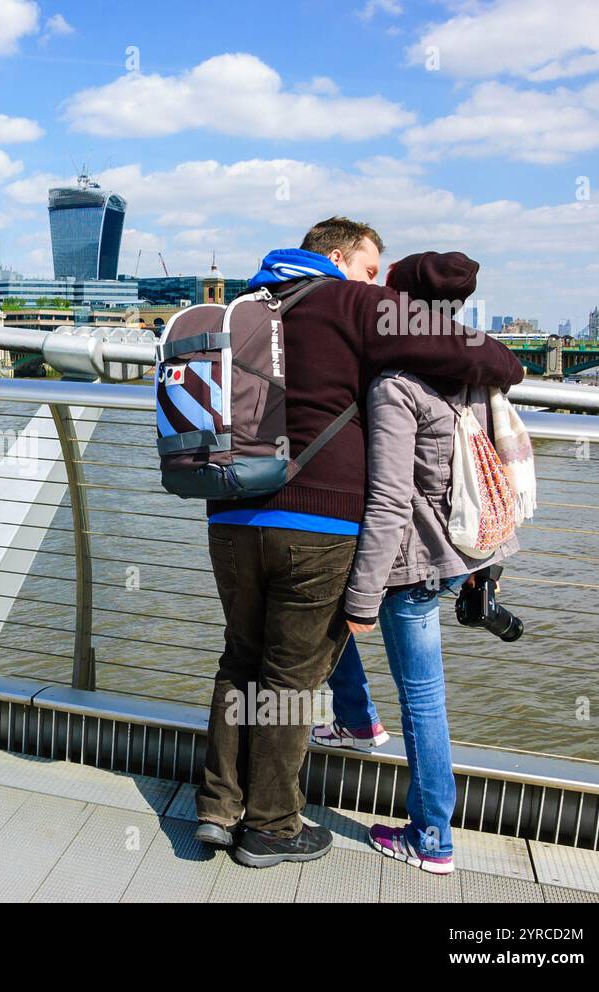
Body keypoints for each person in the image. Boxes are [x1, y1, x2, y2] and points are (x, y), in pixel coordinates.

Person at [194, 218, 524, 869]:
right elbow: (485, 357)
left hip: (228, 518)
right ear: (341, 258)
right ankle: (273, 827)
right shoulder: (353, 301)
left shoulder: (241, 307)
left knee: (240, 660)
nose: (380, 283)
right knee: (290, 678)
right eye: (373, 270)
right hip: (316, 525)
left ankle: (216, 807)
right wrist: (504, 361)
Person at [315, 250, 521, 876]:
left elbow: (387, 498)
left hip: (404, 560)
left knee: (350, 635)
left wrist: (361, 599)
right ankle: (357, 722)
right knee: (423, 693)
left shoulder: (395, 385)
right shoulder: (474, 371)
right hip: (452, 550)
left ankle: (432, 836)